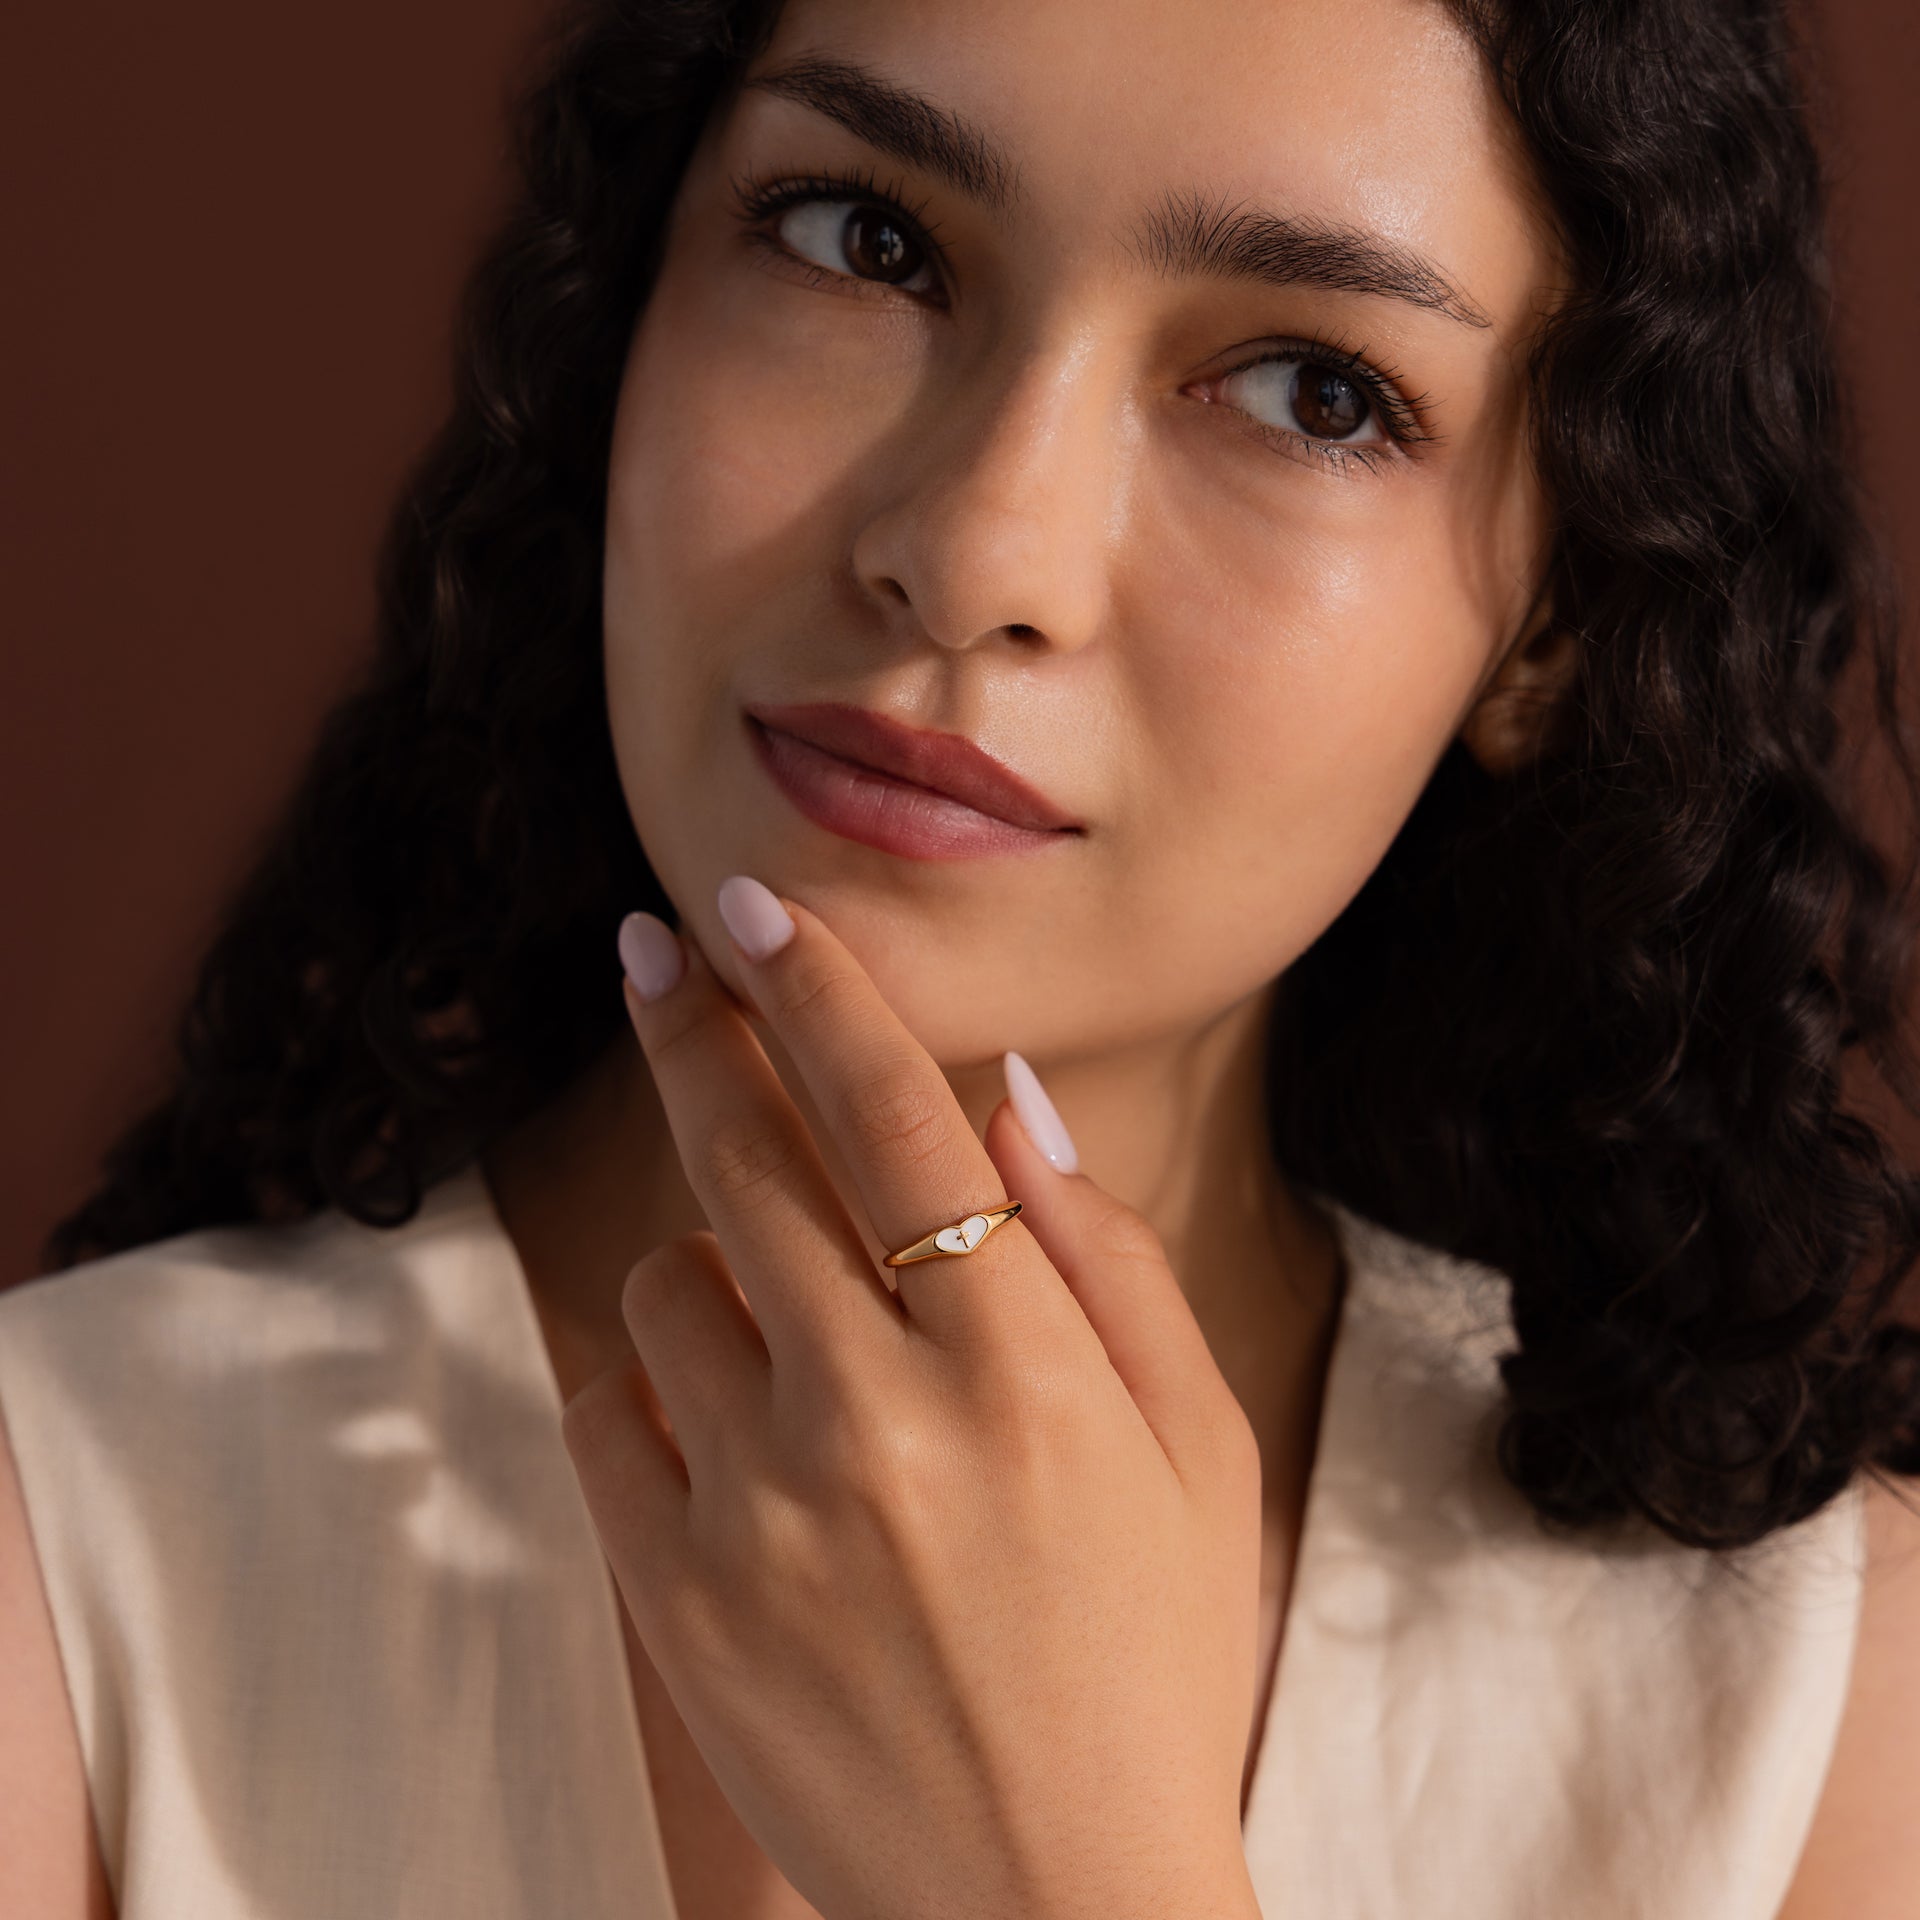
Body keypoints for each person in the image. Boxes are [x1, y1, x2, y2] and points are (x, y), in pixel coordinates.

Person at [3, 0, 1919, 1912]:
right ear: (628, 320)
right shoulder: (61, 1553)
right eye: (864, 239)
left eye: (1312, 391)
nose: (981, 549)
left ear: (1555, 627)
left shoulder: (1822, 1716)